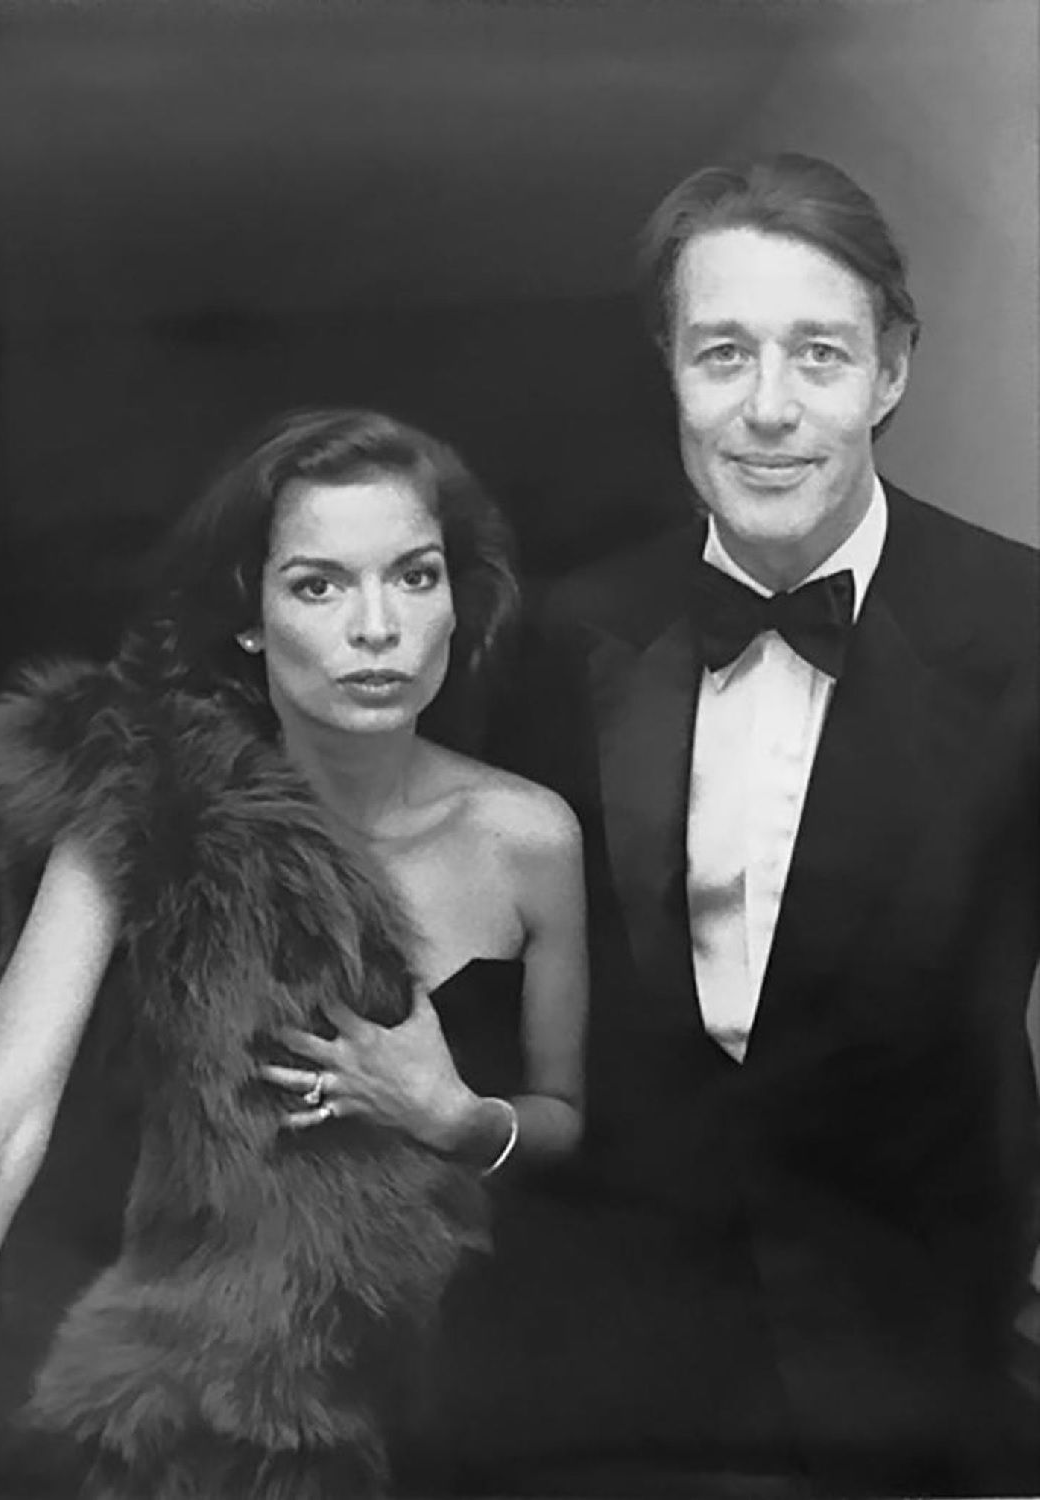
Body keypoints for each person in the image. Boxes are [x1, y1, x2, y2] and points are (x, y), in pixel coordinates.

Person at [489, 153, 1040, 1497]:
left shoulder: (1025, 629)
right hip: (632, 1373)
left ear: (889, 372)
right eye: (722, 353)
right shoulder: (569, 632)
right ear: (670, 371)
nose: (770, 408)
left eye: (819, 354)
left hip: (934, 1359)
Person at [0, 407, 588, 1499]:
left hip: (471, 1399)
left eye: (414, 577)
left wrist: (456, 1118)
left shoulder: (532, 839)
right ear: (248, 617)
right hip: (195, 1410)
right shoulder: (151, 807)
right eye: (319, 586)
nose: (377, 628)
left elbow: (568, 1125)